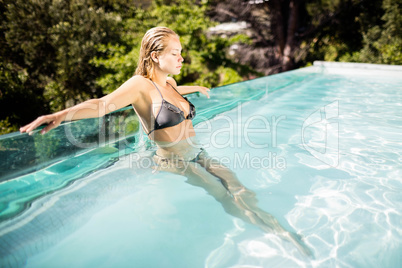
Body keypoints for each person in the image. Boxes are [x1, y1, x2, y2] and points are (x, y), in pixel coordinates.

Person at [20, 26, 311, 256]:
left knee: (239, 188)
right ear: (155, 56)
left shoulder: (168, 82)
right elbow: (101, 104)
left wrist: (195, 87)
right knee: (221, 194)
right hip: (174, 160)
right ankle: (276, 237)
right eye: (175, 53)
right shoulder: (139, 86)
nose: (181, 58)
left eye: (181, 52)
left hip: (198, 152)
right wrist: (60, 115)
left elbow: (172, 92)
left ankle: (275, 227)